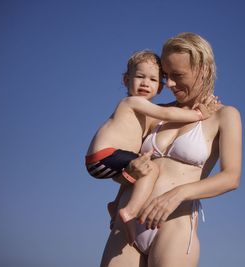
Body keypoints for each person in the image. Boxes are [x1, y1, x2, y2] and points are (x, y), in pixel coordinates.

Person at [99, 33, 242, 267]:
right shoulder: (153, 112)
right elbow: (120, 165)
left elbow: (231, 178)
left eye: (178, 75)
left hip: (174, 225)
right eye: (166, 76)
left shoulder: (225, 116)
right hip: (128, 222)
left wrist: (178, 194)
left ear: (203, 70)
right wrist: (127, 173)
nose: (170, 84)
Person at [85, 50, 217, 244]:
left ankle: (115, 205)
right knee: (151, 168)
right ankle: (129, 211)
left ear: (160, 87)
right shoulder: (133, 102)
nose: (146, 83)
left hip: (107, 159)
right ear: (126, 80)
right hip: (104, 156)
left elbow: (130, 174)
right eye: (140, 77)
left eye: (153, 80)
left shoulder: (142, 114)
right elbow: (168, 114)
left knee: (141, 163)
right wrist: (198, 115)